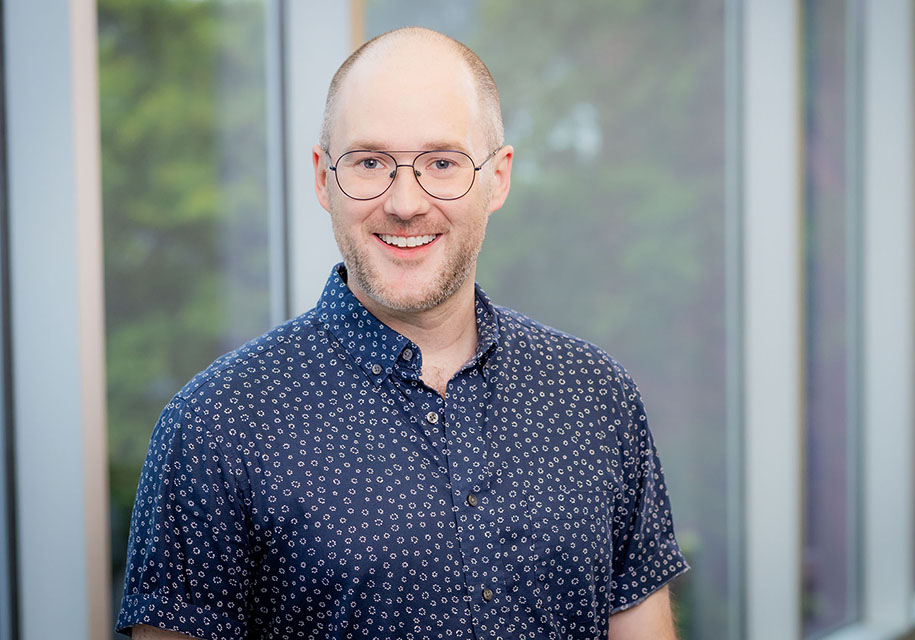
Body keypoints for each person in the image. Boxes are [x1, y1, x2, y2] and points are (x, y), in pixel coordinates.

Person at [117, 26, 688, 640]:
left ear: (498, 177)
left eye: (442, 163)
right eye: (370, 163)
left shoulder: (595, 397)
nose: (406, 203)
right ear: (322, 178)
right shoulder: (215, 425)